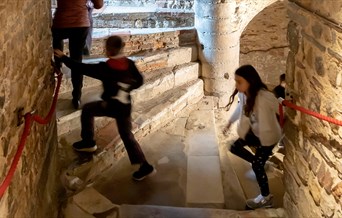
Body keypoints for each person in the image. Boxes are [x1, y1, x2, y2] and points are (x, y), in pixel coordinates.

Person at [54, 35, 156, 181]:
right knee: (127, 135)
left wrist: (63, 57)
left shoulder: (106, 68)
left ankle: (88, 142)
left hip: (111, 106)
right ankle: (144, 166)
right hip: (125, 106)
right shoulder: (129, 64)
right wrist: (126, 88)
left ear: (108, 50)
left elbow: (80, 67)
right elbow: (140, 81)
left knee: (88, 109)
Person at [223, 65, 282, 209]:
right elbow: (240, 108)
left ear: (250, 81)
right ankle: (261, 163)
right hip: (254, 133)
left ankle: (266, 197)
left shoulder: (265, 97)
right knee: (234, 147)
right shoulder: (244, 94)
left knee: (256, 165)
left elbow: (281, 110)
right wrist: (230, 122)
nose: (236, 85)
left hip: (268, 137)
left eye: (239, 81)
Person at [52, 0, 104, 109]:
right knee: (76, 60)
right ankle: (76, 97)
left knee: (57, 45)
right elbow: (99, 5)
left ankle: (57, 67)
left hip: (61, 21)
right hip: (80, 23)